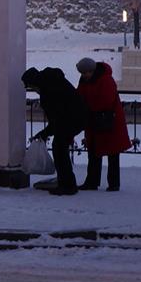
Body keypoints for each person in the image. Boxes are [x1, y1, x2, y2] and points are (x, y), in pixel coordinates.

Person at [22, 66, 87, 195]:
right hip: (78, 117)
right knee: (60, 148)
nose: (33, 90)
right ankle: (66, 182)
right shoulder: (53, 81)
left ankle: (67, 185)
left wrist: (45, 133)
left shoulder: (48, 92)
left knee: (59, 149)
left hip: (71, 119)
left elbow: (57, 118)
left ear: (34, 82)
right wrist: (45, 133)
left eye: (30, 87)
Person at [75, 56, 128, 191]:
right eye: (82, 73)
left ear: (92, 71)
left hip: (109, 121)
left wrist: (87, 108)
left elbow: (106, 101)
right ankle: (92, 181)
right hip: (95, 120)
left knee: (112, 153)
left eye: (86, 72)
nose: (85, 75)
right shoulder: (85, 80)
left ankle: (113, 184)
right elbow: (79, 96)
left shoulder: (106, 80)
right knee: (93, 152)